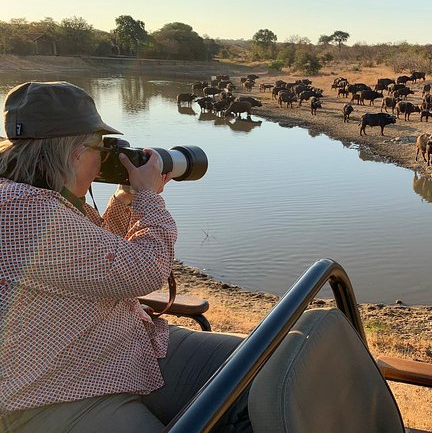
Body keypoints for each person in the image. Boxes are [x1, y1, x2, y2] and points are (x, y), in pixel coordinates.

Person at [0, 82, 251, 432]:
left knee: (263, 368)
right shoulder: (24, 211)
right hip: (61, 390)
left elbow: (102, 256)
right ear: (73, 152)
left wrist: (124, 198)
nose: (102, 158)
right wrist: (149, 197)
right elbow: (145, 271)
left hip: (123, 344)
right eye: (97, 147)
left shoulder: (37, 194)